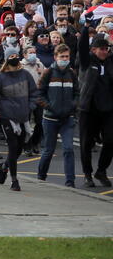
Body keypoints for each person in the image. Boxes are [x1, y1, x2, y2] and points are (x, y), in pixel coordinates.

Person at [0, 47, 39, 192]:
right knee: (12, 146)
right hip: (7, 117)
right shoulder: (0, 77)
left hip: (23, 116)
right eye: (10, 56)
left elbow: (34, 93)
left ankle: (4, 166)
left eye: (15, 55)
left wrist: (30, 106)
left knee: (19, 148)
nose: (14, 57)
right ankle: (14, 180)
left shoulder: (25, 75)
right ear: (6, 59)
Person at [36, 43, 78, 187]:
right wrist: (49, 106)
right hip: (50, 118)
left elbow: (77, 93)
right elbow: (39, 94)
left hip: (67, 118)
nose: (65, 59)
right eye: (62, 57)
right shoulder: (48, 72)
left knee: (68, 149)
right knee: (48, 150)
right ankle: (41, 176)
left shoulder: (72, 73)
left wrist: (72, 106)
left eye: (67, 56)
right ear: (55, 57)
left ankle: (70, 181)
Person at [77, 35, 113, 188]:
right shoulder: (87, 61)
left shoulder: (111, 62)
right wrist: (85, 29)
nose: (105, 52)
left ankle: (101, 170)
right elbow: (82, 48)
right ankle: (87, 174)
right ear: (93, 50)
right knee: (86, 143)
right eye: (101, 49)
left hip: (108, 108)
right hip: (89, 109)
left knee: (110, 140)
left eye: (107, 49)